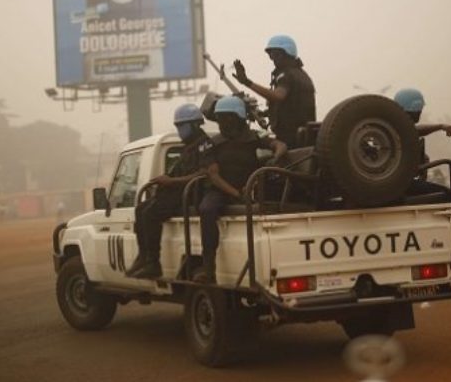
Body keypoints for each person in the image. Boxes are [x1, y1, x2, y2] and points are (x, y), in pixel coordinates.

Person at [195, 96, 287, 283]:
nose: (222, 123)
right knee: (206, 209)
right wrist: (237, 194)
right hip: (221, 192)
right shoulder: (210, 143)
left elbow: (280, 144)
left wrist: (276, 155)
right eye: (220, 118)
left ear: (238, 118)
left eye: (226, 118)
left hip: (250, 188)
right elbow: (213, 175)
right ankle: (208, 267)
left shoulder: (253, 137)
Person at [126, 104, 212, 279]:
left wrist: (171, 181)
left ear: (193, 125)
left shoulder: (204, 145)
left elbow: (203, 173)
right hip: (178, 192)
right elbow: (179, 171)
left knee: (150, 214)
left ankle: (153, 263)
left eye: (181, 126)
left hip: (191, 194)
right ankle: (144, 257)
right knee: (140, 209)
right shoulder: (189, 145)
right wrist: (164, 179)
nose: (179, 130)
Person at [232, 35, 316, 149]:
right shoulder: (300, 74)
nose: (273, 59)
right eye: (270, 55)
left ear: (287, 53)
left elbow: (278, 96)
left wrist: (247, 82)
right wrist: (265, 113)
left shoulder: (287, 74)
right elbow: (292, 105)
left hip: (292, 138)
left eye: (276, 54)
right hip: (301, 136)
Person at [395, 88, 451, 197]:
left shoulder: (389, 125)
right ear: (416, 108)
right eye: (420, 109)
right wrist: (441, 126)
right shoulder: (397, 126)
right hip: (400, 184)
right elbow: (415, 130)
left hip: (397, 184)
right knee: (446, 193)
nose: (420, 112)